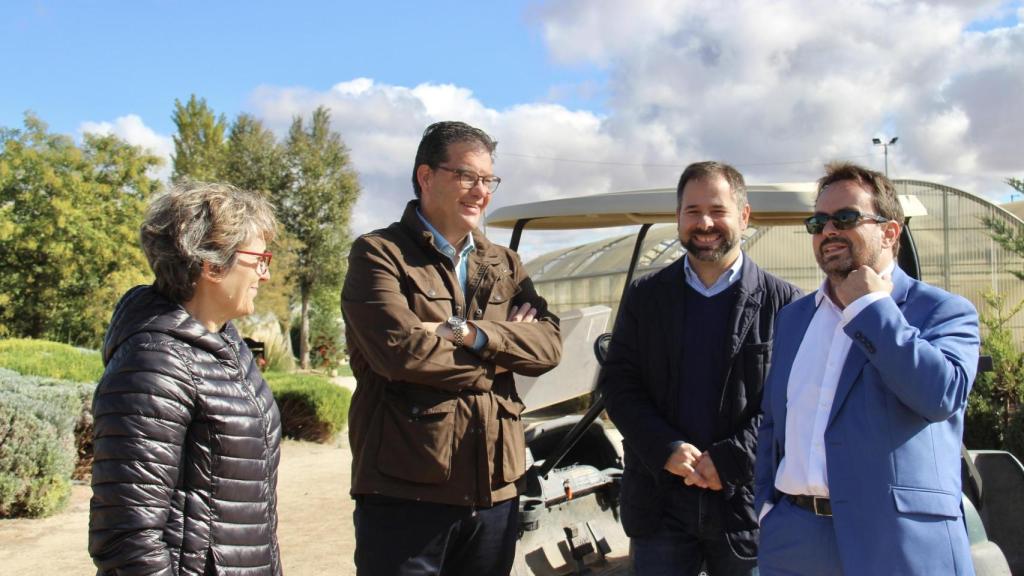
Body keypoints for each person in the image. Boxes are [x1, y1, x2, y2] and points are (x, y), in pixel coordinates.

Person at [341, 120, 562, 575]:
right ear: (426, 176)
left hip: (496, 492)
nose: (481, 192)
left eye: (488, 180)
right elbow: (401, 352)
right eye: (467, 176)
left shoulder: (503, 263)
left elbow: (549, 347)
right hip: (406, 492)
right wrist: (504, 358)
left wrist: (473, 335)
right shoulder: (378, 254)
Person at [754, 162, 980, 575]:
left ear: (890, 232)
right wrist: (768, 508)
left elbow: (940, 395)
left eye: (845, 218)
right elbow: (775, 423)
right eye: (818, 222)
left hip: (897, 545)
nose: (828, 231)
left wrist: (873, 308)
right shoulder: (794, 318)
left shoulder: (943, 311)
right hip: (795, 542)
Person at [600, 161, 802, 575]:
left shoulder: (785, 303)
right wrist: (665, 448)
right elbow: (619, 385)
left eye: (717, 210)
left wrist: (730, 460)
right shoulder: (646, 296)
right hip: (661, 502)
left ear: (743, 217)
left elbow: (791, 401)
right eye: (692, 211)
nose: (704, 222)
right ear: (677, 219)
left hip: (745, 505)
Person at [89, 181, 283, 575]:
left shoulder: (227, 346)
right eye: (259, 258)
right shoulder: (153, 363)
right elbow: (127, 537)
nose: (264, 274)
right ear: (211, 263)